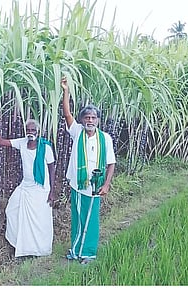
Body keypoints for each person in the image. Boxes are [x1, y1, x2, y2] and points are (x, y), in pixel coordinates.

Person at [61, 77, 116, 264]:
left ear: (98, 120)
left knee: (91, 221)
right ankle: (76, 251)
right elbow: (67, 113)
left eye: (93, 117)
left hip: (96, 186)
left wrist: (107, 184)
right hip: (78, 184)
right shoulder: (77, 132)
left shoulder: (105, 138)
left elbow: (111, 163)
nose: (90, 120)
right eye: (87, 117)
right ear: (82, 120)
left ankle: (89, 253)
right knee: (77, 218)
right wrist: (66, 91)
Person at [0, 119, 57, 258]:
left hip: (41, 189)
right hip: (25, 187)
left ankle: (39, 250)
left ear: (38, 132)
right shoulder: (22, 142)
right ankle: (18, 245)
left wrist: (52, 192)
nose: (30, 133)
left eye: (33, 130)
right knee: (11, 210)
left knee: (39, 221)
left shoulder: (45, 148)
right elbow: (2, 142)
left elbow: (52, 169)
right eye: (28, 130)